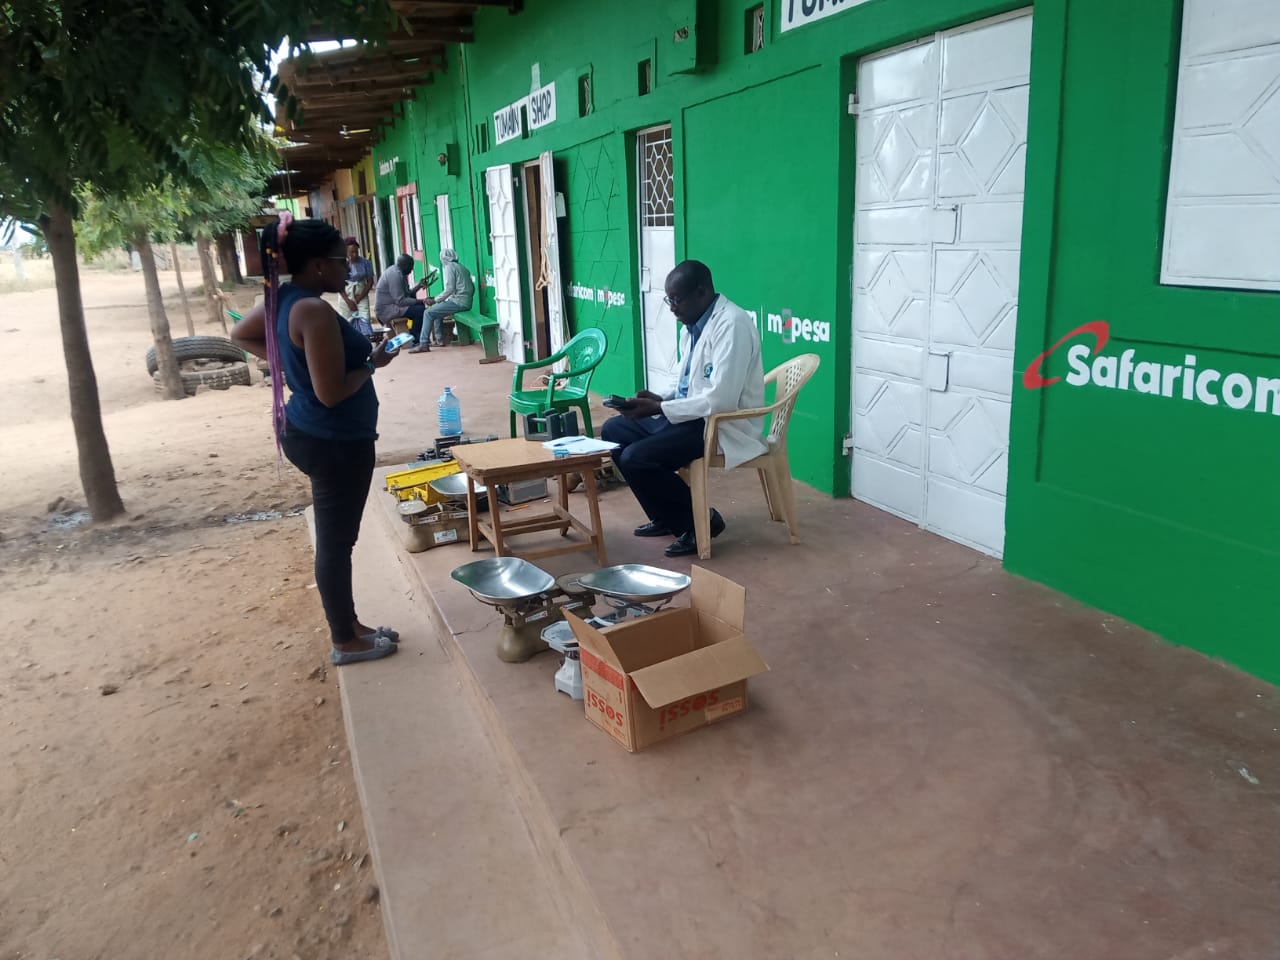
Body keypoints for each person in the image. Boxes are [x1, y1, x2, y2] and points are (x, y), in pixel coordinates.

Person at [231, 215, 401, 666]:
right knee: (336, 542)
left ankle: (352, 626)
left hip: (311, 432)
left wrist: (294, 364)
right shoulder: (314, 310)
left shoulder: (284, 298)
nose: (349, 268)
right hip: (334, 439)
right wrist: (372, 363)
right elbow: (330, 392)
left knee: (337, 538)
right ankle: (345, 640)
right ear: (317, 266)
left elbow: (241, 333)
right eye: (340, 260)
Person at [600, 260, 766, 558]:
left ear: (701, 293)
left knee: (638, 458)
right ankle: (666, 516)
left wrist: (662, 408)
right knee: (614, 431)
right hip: (691, 416)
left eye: (676, 300)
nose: (672, 308)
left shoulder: (732, 325)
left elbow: (722, 400)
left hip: (721, 423)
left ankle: (700, 522)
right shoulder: (692, 325)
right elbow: (684, 383)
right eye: (669, 300)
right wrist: (655, 400)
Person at [374, 254, 429, 351]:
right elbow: (401, 301)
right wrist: (423, 300)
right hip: (387, 310)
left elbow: (406, 294)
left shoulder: (397, 272)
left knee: (419, 306)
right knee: (420, 310)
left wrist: (418, 286)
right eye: (410, 268)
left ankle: (416, 336)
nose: (411, 270)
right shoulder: (395, 275)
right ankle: (416, 340)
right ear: (405, 266)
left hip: (393, 305)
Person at [422, 248, 475, 346]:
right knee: (436, 312)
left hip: (459, 302)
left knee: (428, 313)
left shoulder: (449, 267)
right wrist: (438, 299)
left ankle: (423, 343)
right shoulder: (463, 268)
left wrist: (434, 300)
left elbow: (449, 289)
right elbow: (468, 288)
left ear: (443, 258)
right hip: (466, 302)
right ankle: (439, 340)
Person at [336, 237, 375, 338]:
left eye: (356, 252)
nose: (355, 255)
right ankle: (352, 344)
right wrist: (348, 301)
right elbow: (338, 284)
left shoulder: (365, 263)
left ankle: (366, 342)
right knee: (347, 321)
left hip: (361, 293)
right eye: (351, 252)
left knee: (365, 318)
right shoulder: (340, 264)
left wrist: (360, 297)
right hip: (346, 295)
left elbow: (370, 282)